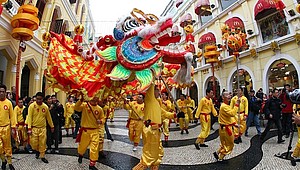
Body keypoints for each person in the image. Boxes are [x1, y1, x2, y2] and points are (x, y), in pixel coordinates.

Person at [132, 85, 176, 170]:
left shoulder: (156, 102)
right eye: (157, 89)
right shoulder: (150, 99)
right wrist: (154, 73)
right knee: (148, 156)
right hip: (150, 130)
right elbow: (151, 85)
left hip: (156, 131)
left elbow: (164, 114)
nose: (159, 91)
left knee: (157, 155)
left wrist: (175, 115)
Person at [75, 96, 104, 170]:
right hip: (85, 131)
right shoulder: (85, 105)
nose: (95, 98)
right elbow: (76, 108)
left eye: (97, 96)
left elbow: (103, 118)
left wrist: (100, 121)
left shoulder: (100, 109)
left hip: (95, 131)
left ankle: (92, 164)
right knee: (82, 147)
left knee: (94, 148)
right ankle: (80, 155)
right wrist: (80, 100)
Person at [27, 92, 54, 163]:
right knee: (34, 143)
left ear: (43, 99)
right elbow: (29, 117)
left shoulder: (45, 107)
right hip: (34, 128)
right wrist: (29, 128)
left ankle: (42, 156)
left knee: (42, 143)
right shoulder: (32, 106)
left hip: (43, 128)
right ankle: (37, 151)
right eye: (37, 99)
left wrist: (52, 126)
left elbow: (49, 117)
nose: (38, 100)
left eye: (40, 99)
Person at [213, 91, 240, 161]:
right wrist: (236, 105)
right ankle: (220, 157)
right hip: (226, 129)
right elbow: (232, 113)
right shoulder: (224, 107)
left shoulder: (226, 106)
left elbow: (228, 117)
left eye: (229, 95)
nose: (229, 96)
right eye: (227, 95)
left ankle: (217, 152)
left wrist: (234, 124)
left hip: (224, 128)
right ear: (223, 97)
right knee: (230, 144)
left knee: (224, 144)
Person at [0, 84, 17, 170]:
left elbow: (12, 116)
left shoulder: (9, 103)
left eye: (3, 92)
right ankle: (3, 161)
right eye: (0, 92)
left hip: (6, 128)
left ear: (5, 93)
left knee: (7, 147)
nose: (1, 93)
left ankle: (10, 162)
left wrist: (13, 128)